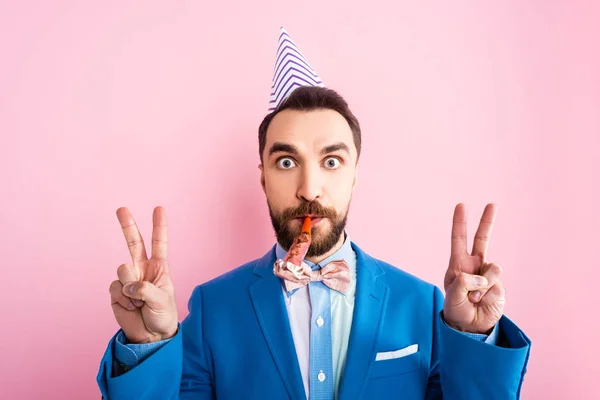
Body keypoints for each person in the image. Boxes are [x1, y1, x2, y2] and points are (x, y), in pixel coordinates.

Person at [97, 28, 531, 400]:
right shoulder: (213, 308)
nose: (308, 189)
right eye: (287, 162)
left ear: (355, 175)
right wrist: (148, 344)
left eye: (331, 161)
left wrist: (474, 339)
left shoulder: (424, 305)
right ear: (263, 178)